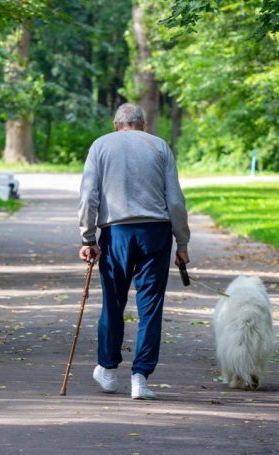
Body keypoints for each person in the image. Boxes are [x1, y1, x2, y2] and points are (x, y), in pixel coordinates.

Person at [78, 103, 190, 399]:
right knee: (150, 307)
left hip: (117, 233)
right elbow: (176, 201)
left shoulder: (100, 146)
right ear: (142, 124)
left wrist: (88, 238)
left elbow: (88, 196)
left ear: (116, 125)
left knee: (113, 303)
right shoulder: (160, 147)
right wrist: (183, 243)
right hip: (156, 233)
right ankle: (140, 378)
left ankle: (108, 370)